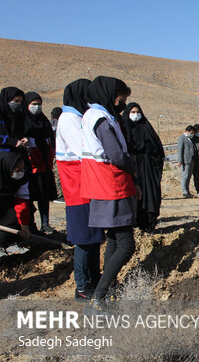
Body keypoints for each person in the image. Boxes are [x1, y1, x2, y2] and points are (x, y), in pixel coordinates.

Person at [81, 76, 138, 306]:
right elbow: (115, 155)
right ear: (109, 93)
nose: (123, 100)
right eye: (122, 95)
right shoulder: (101, 118)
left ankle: (108, 289)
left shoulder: (93, 116)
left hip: (103, 185)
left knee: (114, 239)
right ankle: (99, 297)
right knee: (126, 244)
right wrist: (135, 167)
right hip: (111, 185)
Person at [56, 79, 105, 300]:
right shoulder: (70, 119)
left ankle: (94, 280)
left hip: (85, 186)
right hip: (78, 188)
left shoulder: (76, 118)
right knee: (84, 239)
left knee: (93, 238)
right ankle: (83, 286)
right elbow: (84, 149)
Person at [122, 103, 165, 232]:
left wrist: (148, 153)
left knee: (150, 193)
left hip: (148, 169)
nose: (136, 115)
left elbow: (157, 149)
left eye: (138, 112)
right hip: (131, 167)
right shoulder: (124, 129)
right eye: (133, 112)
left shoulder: (146, 128)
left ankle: (149, 223)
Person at [22, 92, 58, 234]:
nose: (37, 107)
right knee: (29, 196)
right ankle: (31, 224)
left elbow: (51, 139)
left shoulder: (44, 122)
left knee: (44, 196)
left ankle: (45, 223)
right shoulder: (23, 122)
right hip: (31, 166)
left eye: (39, 104)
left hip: (45, 164)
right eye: (34, 104)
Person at [0, 152, 31, 257]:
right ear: (6, 168)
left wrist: (25, 225)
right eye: (17, 171)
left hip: (1, 202)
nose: (20, 173)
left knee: (18, 213)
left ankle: (4, 244)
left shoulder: (22, 179)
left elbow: (22, 201)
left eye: (22, 170)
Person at [0, 87, 29, 158]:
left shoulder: (19, 115)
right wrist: (10, 141)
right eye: (16, 101)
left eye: (20, 102)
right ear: (7, 99)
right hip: (2, 157)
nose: (18, 104)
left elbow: (23, 133)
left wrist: (25, 139)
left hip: (20, 156)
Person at [177, 125, 196, 198]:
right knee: (185, 176)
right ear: (189, 131)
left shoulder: (189, 139)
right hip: (185, 160)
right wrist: (180, 160)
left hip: (191, 159)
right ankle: (184, 192)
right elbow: (180, 150)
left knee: (188, 176)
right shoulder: (182, 138)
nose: (192, 134)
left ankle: (187, 191)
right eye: (192, 132)